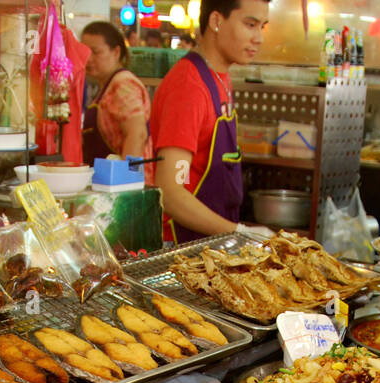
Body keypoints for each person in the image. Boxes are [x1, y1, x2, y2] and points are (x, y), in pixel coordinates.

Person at [150, 0, 271, 242]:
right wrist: (238, 232)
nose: (259, 38)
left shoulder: (220, 77)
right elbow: (170, 193)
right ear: (216, 21)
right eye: (250, 24)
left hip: (208, 241)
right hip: (180, 248)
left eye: (262, 27)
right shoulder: (189, 86)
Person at [81, 21, 154, 181]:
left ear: (116, 52)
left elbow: (137, 134)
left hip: (122, 189)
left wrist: (127, 180)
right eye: (85, 51)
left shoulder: (123, 84)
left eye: (96, 52)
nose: (89, 58)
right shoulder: (107, 86)